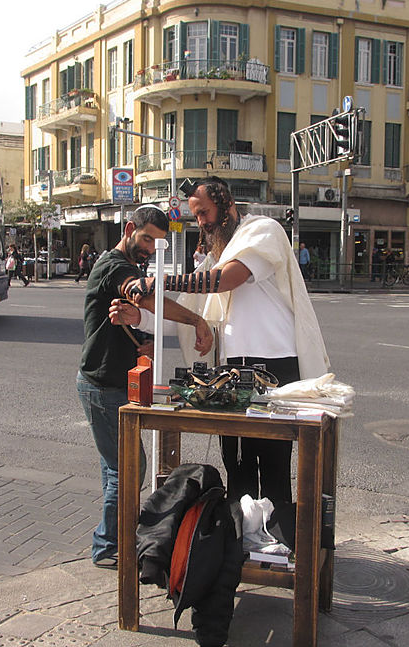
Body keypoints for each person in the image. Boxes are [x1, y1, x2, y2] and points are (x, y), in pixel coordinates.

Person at [124, 178, 329, 508]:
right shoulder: (221, 253)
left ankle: (277, 549)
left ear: (227, 206)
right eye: (197, 216)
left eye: (204, 212)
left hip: (275, 366)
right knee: (237, 465)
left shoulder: (263, 231)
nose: (202, 222)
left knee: (274, 467)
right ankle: (239, 545)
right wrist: (139, 316)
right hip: (232, 371)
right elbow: (186, 310)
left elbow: (224, 280)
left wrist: (161, 280)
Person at [77, 205, 213, 568]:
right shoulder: (114, 266)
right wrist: (196, 318)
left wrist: (141, 337)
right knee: (129, 469)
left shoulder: (130, 263)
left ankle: (112, 540)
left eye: (158, 242)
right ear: (128, 229)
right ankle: (109, 545)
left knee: (117, 469)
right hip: (102, 384)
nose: (152, 248)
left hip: (115, 380)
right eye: (148, 239)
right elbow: (143, 296)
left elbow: (126, 313)